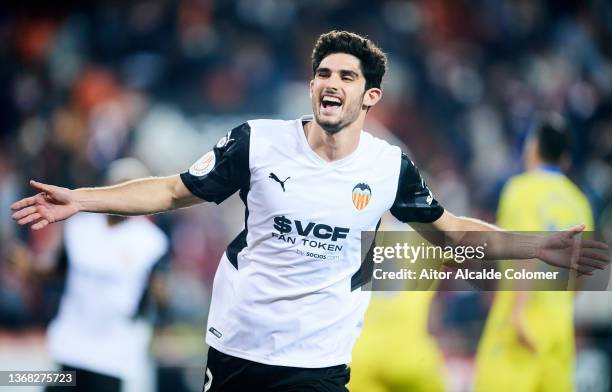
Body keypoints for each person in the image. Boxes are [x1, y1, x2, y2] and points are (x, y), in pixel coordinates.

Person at [10, 31, 608, 392]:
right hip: (239, 348)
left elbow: (451, 231)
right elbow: (171, 191)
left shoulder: (387, 167)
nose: (331, 82)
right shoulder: (258, 142)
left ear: (370, 96)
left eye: (347, 76)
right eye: (323, 72)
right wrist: (80, 200)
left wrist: (532, 246)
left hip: (318, 361)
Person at [473, 117, 594, 392]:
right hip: (559, 331)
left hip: (519, 326)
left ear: (534, 148)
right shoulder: (579, 200)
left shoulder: (521, 190)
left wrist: (518, 313)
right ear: (565, 158)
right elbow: (584, 269)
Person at [44, 158, 169, 392]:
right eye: (120, 186)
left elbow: (158, 294)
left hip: (114, 352)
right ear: (107, 187)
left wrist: (161, 311)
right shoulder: (79, 227)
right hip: (71, 342)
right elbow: (58, 271)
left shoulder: (152, 241)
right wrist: (29, 268)